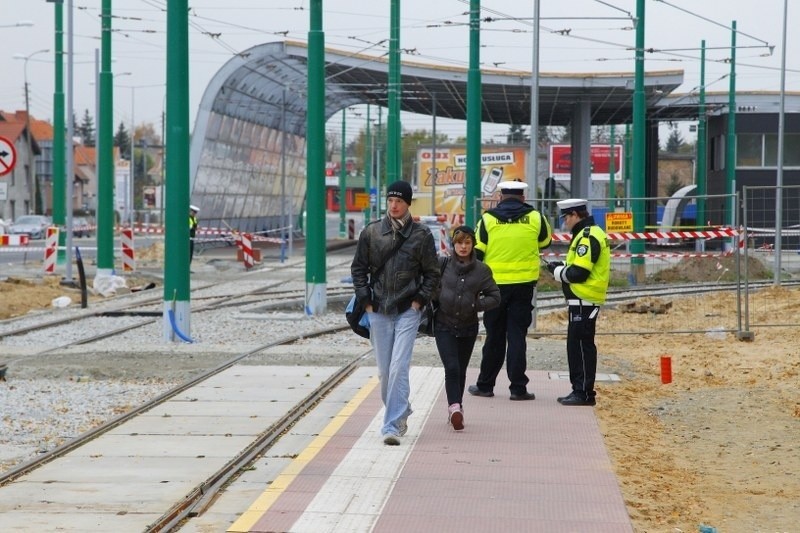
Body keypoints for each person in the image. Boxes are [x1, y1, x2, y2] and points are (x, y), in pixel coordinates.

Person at [350, 180, 440, 445]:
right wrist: (365, 299)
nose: (394, 205)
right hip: (377, 309)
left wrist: (419, 301)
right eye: (390, 200)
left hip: (407, 310)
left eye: (399, 201)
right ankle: (401, 410)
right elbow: (358, 269)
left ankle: (392, 425)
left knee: (399, 366)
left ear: (408, 204)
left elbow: (432, 273)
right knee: (384, 372)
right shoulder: (372, 233)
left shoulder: (421, 235)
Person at [468, 180, 552, 401]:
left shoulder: (488, 219)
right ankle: (518, 389)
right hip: (524, 286)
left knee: (494, 336)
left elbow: (477, 252)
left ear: (500, 197)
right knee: (517, 336)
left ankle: (485, 385)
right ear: (523, 197)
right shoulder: (535, 217)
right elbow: (545, 243)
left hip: (494, 287)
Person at [545, 198, 611, 406]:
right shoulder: (589, 234)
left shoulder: (587, 236)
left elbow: (579, 273)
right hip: (583, 300)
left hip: (584, 299)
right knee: (578, 344)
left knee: (580, 346)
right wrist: (563, 265)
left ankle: (582, 392)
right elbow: (577, 265)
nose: (564, 222)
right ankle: (581, 390)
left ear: (575, 215)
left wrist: (557, 272)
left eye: (566, 218)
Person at [434, 225, 500, 430]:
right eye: (459, 242)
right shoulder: (442, 264)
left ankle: (457, 408)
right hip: (443, 324)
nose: (463, 247)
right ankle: (454, 407)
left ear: (473, 244)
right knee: (451, 367)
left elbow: (495, 297)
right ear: (453, 244)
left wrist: (475, 304)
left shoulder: (482, 270)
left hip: (468, 327)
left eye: (467, 242)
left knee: (460, 369)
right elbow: (427, 284)